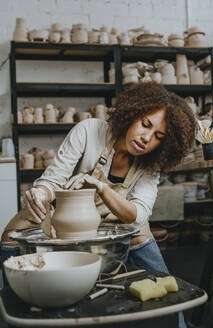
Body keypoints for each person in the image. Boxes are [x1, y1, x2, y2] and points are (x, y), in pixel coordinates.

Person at [1, 82, 196, 328]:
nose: (147, 138)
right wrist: (39, 195)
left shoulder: (151, 165)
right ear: (133, 114)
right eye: (146, 124)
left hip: (117, 218)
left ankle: (177, 320)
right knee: (11, 233)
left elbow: (137, 215)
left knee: (147, 246)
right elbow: (53, 179)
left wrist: (102, 188)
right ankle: (11, 312)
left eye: (159, 137)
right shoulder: (90, 130)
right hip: (64, 213)